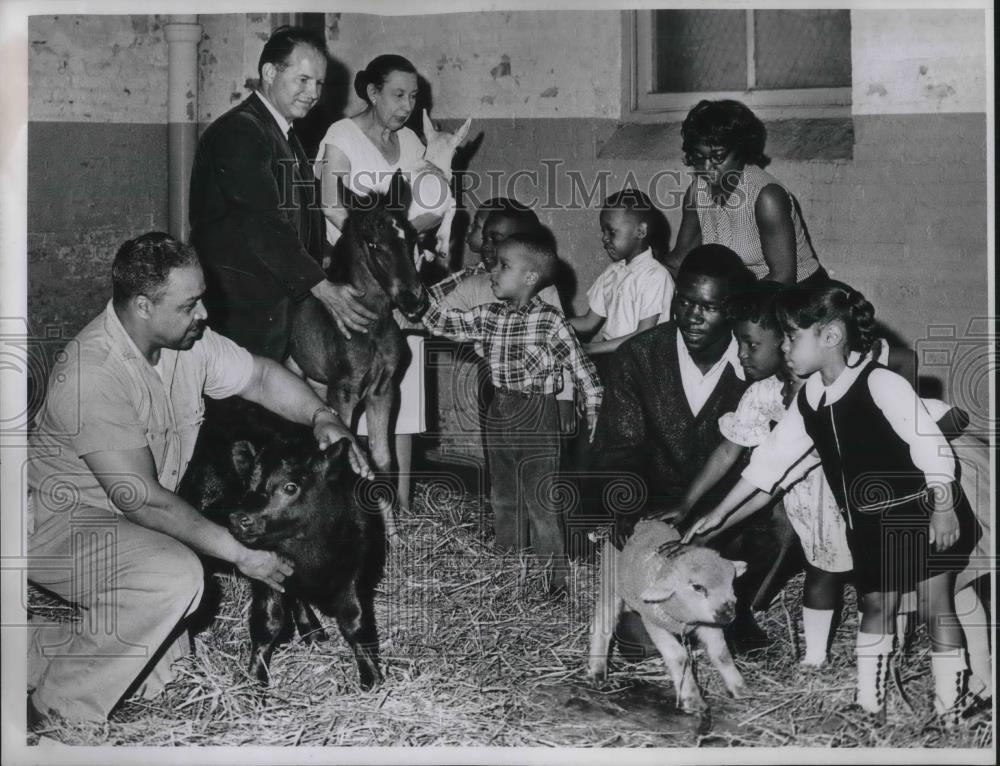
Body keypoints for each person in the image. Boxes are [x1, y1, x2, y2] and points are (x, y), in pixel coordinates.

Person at [26, 233, 372, 728]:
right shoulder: (93, 375)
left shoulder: (185, 342)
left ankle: (21, 651)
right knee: (173, 577)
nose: (205, 312)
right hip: (53, 522)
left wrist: (321, 415)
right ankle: (55, 714)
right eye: (190, 303)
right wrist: (241, 553)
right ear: (143, 306)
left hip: (115, 519)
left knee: (162, 674)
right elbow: (146, 502)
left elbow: (259, 377)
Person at [684, 281, 979, 724]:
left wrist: (942, 505)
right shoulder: (811, 400)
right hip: (869, 525)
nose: (783, 347)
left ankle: (949, 709)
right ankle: (868, 705)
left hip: (921, 512)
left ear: (831, 337)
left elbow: (930, 445)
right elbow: (768, 467)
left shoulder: (880, 383)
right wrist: (718, 514)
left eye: (791, 336)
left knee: (937, 605)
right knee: (876, 607)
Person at [573, 244, 779, 649]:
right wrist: (625, 505)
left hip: (726, 509)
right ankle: (667, 616)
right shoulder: (640, 354)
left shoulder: (757, 363)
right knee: (638, 640)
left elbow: (758, 461)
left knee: (782, 522)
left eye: (709, 307)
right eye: (684, 302)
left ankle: (739, 610)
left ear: (733, 310)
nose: (692, 316)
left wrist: (714, 517)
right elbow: (620, 446)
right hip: (657, 507)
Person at [422, 231, 603, 595]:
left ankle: (553, 583)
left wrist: (594, 409)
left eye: (504, 266)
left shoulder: (550, 320)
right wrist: (435, 289)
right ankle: (507, 571)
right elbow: (439, 322)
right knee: (503, 496)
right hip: (499, 409)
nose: (493, 271)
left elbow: (583, 367)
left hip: (537, 413)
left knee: (541, 501)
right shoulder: (488, 315)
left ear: (530, 278)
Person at [313, 54, 451, 512]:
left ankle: (402, 505)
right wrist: (377, 241)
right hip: (354, 270)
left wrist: (416, 237)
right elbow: (331, 205)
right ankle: (347, 504)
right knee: (350, 388)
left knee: (403, 396)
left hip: (401, 272)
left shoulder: (411, 141)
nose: (407, 105)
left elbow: (427, 204)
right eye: (398, 94)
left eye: (413, 96)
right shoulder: (342, 135)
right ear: (372, 93)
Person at [189, 26, 375, 359]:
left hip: (272, 302)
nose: (313, 93)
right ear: (270, 72)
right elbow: (262, 222)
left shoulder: (280, 131)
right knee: (239, 404)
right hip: (240, 308)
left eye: (319, 83)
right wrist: (320, 285)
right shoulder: (241, 131)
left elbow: (302, 214)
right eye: (303, 80)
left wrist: (324, 261)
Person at [664, 100, 827, 285]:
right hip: (745, 296)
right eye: (699, 157)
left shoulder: (766, 196)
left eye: (718, 157)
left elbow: (783, 278)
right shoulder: (697, 192)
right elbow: (679, 261)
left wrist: (731, 306)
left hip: (798, 295)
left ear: (741, 150)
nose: (707, 167)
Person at [569, 189, 674, 369]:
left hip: (641, 364)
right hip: (609, 360)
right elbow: (588, 322)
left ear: (641, 231)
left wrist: (590, 348)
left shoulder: (655, 275)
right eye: (603, 231)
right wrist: (551, 321)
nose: (604, 239)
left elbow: (644, 335)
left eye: (611, 232)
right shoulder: (612, 272)